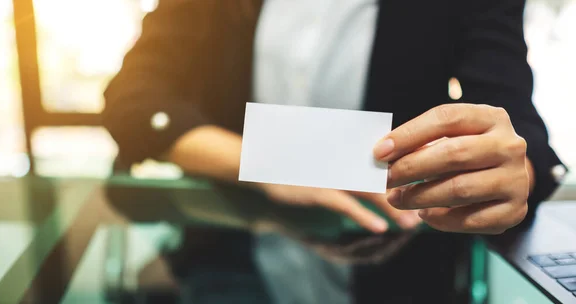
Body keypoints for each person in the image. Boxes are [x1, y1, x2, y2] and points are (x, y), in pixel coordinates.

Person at [103, 0, 565, 235]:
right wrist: (269, 161)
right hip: (230, 248)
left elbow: (517, 134)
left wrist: (508, 175)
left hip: (396, 263)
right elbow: (132, 100)